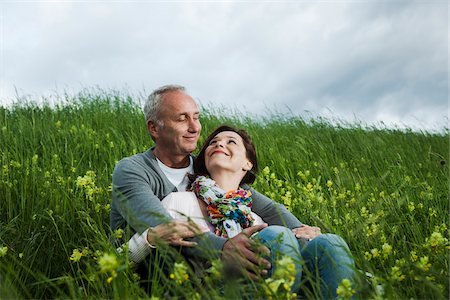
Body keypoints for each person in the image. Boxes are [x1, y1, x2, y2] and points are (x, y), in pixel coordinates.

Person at [110, 85, 355, 298]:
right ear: (155, 128)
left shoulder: (205, 171)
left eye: (197, 117)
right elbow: (163, 226)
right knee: (275, 238)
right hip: (153, 273)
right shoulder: (134, 170)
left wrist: (303, 230)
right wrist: (225, 247)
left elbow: (264, 205)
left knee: (328, 243)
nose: (195, 127)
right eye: (182, 118)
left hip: (216, 269)